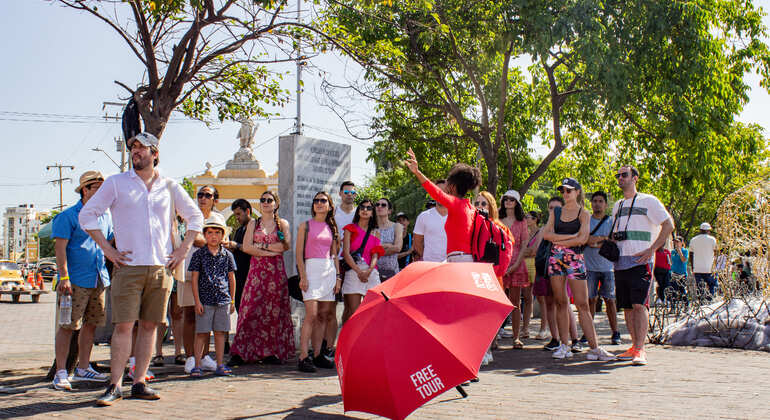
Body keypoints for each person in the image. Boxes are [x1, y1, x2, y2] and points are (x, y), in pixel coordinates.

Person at [79, 132, 203, 405]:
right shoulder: (116, 183)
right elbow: (87, 214)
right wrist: (107, 249)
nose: (135, 152)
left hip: (161, 268)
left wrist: (182, 251)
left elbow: (196, 217)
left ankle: (139, 382)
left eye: (141, 148)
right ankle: (114, 386)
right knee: (123, 327)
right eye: (133, 148)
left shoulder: (169, 186)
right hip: (128, 267)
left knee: (150, 327)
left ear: (154, 153)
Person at [51, 171, 112, 390]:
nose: (101, 193)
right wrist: (64, 276)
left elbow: (111, 241)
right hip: (74, 280)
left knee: (91, 325)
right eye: (97, 188)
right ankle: (60, 371)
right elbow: (60, 249)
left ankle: (83, 367)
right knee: (68, 326)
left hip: (98, 278)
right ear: (85, 190)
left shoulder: (105, 216)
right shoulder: (68, 216)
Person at [543, 178, 615, 361]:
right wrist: (570, 237)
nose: (565, 194)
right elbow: (546, 234)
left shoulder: (584, 213)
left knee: (582, 303)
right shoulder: (556, 211)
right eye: (563, 191)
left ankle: (594, 347)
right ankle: (564, 345)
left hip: (575, 259)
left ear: (577, 192)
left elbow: (583, 239)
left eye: (569, 190)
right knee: (560, 302)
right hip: (556, 259)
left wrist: (559, 240)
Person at [611, 165, 674, 366]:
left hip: (641, 261)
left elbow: (668, 224)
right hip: (620, 262)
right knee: (627, 307)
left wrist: (653, 249)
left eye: (624, 175)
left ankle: (641, 349)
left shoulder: (649, 200)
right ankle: (633, 347)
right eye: (618, 175)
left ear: (635, 178)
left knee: (640, 304)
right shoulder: (617, 205)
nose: (620, 178)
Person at [230, 191, 295, 365]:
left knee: (272, 311)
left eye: (269, 200)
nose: (266, 202)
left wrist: (262, 245)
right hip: (257, 273)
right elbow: (247, 247)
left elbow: (284, 246)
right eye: (263, 200)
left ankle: (269, 352)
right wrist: (269, 250)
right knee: (249, 310)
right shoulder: (253, 223)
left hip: (275, 273)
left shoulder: (283, 224)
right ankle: (241, 351)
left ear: (276, 203)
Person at [404, 148, 481, 263]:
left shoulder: (455, 204)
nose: (445, 188)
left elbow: (435, 191)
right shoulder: (471, 208)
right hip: (466, 259)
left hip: (457, 260)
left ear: (453, 186)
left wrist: (417, 172)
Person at [296, 191, 341, 372]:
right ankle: (303, 356)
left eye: (323, 201)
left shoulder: (331, 227)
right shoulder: (305, 226)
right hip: (311, 270)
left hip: (328, 271)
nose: (319, 203)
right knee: (311, 314)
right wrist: (303, 276)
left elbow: (335, 255)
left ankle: (317, 355)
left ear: (329, 205)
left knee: (323, 315)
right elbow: (299, 254)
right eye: (316, 201)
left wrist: (338, 277)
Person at [189, 213, 236, 377]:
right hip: (205, 300)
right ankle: (197, 364)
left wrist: (232, 299)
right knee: (201, 333)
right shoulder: (198, 255)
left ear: (223, 235)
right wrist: (197, 301)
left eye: (217, 233)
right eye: (209, 232)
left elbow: (231, 278)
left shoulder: (227, 255)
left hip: (222, 299)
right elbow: (194, 279)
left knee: (220, 333)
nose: (213, 236)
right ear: (204, 234)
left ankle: (220, 363)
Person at [181, 185, 220, 373]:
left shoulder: (218, 218)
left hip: (211, 274)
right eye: (200, 195)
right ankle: (190, 357)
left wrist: (209, 240)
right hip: (190, 271)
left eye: (208, 195)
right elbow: (195, 239)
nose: (203, 198)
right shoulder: (191, 215)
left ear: (215, 199)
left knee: (206, 317)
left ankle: (203, 356)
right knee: (189, 315)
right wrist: (213, 240)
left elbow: (218, 244)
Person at [534, 197, 581, 352]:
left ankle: (574, 340)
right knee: (549, 303)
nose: (553, 210)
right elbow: (539, 249)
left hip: (563, 269)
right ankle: (555, 338)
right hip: (546, 269)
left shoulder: (568, 226)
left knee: (564, 303)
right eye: (551, 208)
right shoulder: (544, 229)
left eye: (557, 208)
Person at [473, 191, 512, 363]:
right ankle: (481, 350)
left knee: (489, 316)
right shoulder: (471, 225)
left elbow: (507, 252)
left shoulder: (500, 228)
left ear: (491, 206)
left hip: (493, 277)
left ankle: (488, 348)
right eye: (477, 203)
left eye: (484, 203)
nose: (480, 207)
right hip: (474, 274)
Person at [584, 191, 621, 345]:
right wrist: (602, 240)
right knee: (590, 300)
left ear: (606, 204)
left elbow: (613, 241)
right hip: (589, 267)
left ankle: (616, 332)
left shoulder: (612, 222)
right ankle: (588, 333)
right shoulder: (585, 221)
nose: (597, 204)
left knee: (610, 301)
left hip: (608, 267)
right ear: (591, 203)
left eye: (600, 201)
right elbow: (585, 239)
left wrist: (595, 242)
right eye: (595, 201)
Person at [341, 199, 384, 323]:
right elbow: (346, 253)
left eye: (369, 208)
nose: (365, 210)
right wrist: (359, 271)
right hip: (354, 271)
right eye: (362, 207)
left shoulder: (376, 232)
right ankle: (347, 340)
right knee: (352, 312)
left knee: (374, 310)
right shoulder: (350, 229)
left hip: (371, 272)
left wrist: (369, 271)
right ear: (358, 210)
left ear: (372, 213)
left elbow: (376, 255)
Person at [499, 190, 532, 349]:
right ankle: (493, 339)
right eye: (506, 199)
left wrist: (516, 265)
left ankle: (516, 337)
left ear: (517, 203)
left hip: (517, 264)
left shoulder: (522, 222)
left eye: (512, 200)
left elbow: (525, 244)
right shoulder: (497, 219)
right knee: (497, 303)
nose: (508, 202)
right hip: (499, 264)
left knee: (515, 302)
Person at [224, 199, 253, 313]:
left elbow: (254, 248)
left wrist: (237, 245)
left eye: (238, 214)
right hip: (239, 277)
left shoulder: (256, 228)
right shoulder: (239, 230)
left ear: (247, 211)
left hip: (251, 277)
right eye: (235, 215)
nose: (237, 218)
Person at [524, 211, 548, 340]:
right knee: (527, 297)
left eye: (527, 217)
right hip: (525, 266)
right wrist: (526, 252)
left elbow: (535, 251)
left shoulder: (541, 232)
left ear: (534, 219)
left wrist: (524, 252)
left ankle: (544, 328)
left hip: (537, 265)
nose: (525, 219)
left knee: (541, 298)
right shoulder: (526, 232)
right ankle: (525, 328)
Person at [413, 180, 448, 262]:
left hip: (452, 266)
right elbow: (417, 243)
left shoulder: (458, 216)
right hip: (429, 265)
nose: (440, 194)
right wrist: (428, 257)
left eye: (444, 191)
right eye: (437, 191)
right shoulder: (423, 216)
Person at [375, 198, 403, 281]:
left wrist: (377, 249)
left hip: (392, 273)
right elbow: (368, 250)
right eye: (377, 205)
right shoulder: (371, 228)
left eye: (383, 205)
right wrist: (388, 245)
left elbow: (397, 248)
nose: (380, 207)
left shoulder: (397, 226)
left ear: (389, 211)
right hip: (374, 273)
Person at [690, 223, 718, 299]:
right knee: (713, 285)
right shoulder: (712, 240)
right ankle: (711, 300)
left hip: (698, 269)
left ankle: (701, 303)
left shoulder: (693, 240)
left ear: (700, 230)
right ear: (708, 231)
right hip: (709, 268)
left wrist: (693, 267)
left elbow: (691, 255)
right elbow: (716, 253)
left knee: (700, 288)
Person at [669, 236, 689, 302]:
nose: (676, 243)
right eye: (675, 242)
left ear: (682, 242)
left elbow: (684, 260)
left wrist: (679, 251)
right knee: (673, 291)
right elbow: (671, 261)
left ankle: (686, 305)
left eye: (678, 242)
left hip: (682, 274)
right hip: (674, 273)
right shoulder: (673, 252)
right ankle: (673, 306)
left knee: (682, 290)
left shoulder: (685, 251)